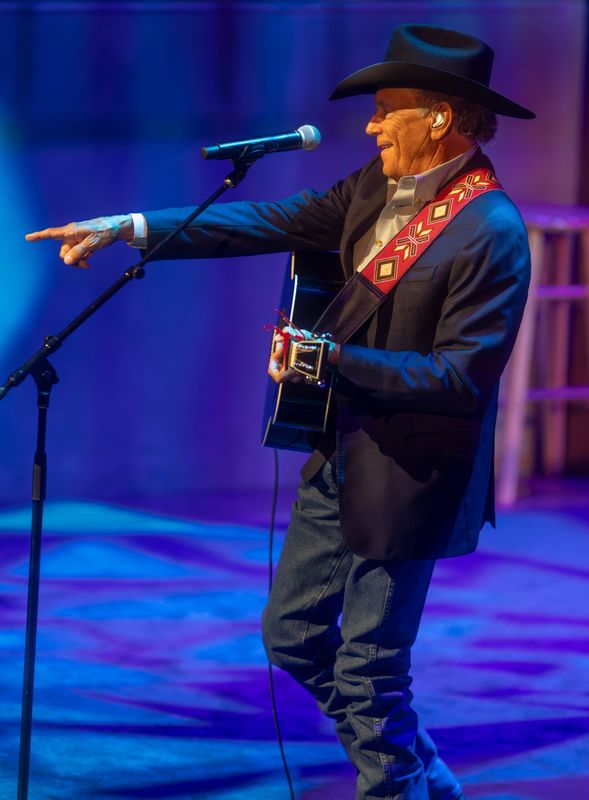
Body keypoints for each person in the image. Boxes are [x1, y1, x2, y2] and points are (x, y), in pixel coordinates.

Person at [26, 24, 534, 800]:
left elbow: (459, 379)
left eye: (385, 109)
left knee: (369, 667)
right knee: (292, 636)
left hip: (411, 477)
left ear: (437, 118)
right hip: (339, 453)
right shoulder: (371, 186)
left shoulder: (491, 233)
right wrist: (128, 228)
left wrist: (329, 360)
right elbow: (268, 221)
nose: (369, 126)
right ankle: (413, 764)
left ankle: (393, 783)